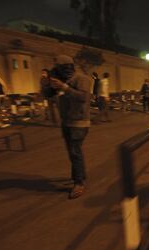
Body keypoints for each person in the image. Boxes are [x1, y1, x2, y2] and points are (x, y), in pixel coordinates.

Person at [43, 55, 92, 199]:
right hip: (66, 122)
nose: (59, 71)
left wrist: (64, 87)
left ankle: (79, 183)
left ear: (69, 66)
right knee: (72, 152)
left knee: (75, 152)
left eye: (60, 68)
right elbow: (46, 94)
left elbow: (83, 97)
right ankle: (80, 175)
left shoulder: (81, 78)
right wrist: (49, 85)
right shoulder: (61, 79)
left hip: (79, 122)